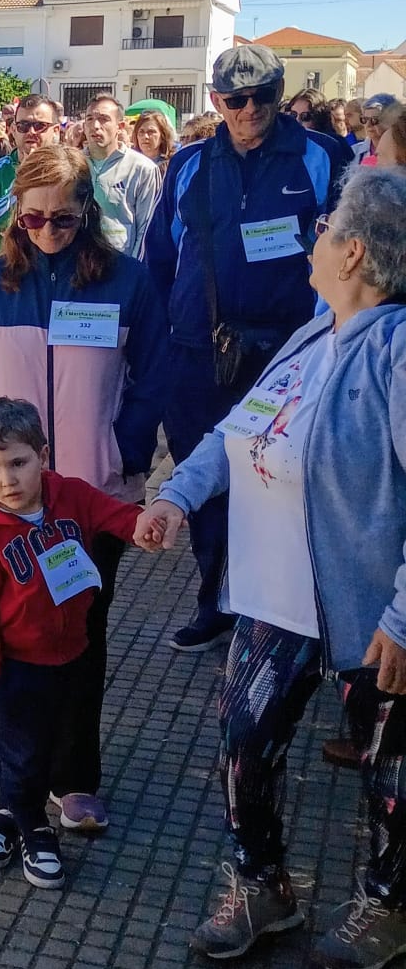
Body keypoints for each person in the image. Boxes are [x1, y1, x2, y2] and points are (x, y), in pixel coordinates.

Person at [139, 167, 406, 969]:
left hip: (368, 615)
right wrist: (177, 496)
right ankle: (262, 888)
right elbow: (238, 427)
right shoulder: (312, 331)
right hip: (272, 598)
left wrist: (404, 615)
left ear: (354, 251)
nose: (314, 234)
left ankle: (388, 905)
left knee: (388, 772)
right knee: (243, 743)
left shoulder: (396, 352)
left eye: (326, 226)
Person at [0, 145, 166, 830]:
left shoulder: (127, 282)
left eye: (64, 220)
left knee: (81, 635)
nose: (48, 231)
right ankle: (24, 767)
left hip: (91, 500)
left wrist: (122, 450)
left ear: (88, 214)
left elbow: (152, 377)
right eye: (35, 218)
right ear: (16, 214)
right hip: (11, 504)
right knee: (15, 639)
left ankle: (75, 777)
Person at [144, 41, 351, 648]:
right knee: (200, 478)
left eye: (262, 96)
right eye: (235, 100)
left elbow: (340, 258)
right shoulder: (187, 165)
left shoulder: (321, 157)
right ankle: (216, 599)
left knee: (277, 480)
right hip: (197, 353)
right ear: (216, 101)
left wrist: (325, 347)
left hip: (285, 353)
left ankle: (279, 610)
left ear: (279, 94)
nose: (250, 109)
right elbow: (161, 259)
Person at [0, 397, 143, 890]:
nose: (7, 481)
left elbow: (114, 515)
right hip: (17, 669)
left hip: (72, 656)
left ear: (43, 455)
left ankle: (4, 815)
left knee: (46, 745)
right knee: (26, 755)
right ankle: (36, 830)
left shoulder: (72, 496)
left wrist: (143, 527)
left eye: (18, 463)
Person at [0, 94, 61, 253]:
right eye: (23, 126)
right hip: (8, 267)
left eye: (40, 126)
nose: (31, 132)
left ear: (55, 130)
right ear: (13, 129)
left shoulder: (68, 170)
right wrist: (23, 186)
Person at [81, 95, 162, 256]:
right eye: (90, 119)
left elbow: (147, 229)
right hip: (78, 268)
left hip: (120, 268)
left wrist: (134, 272)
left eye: (104, 119)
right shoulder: (73, 164)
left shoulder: (142, 169)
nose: (95, 126)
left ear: (120, 126)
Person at [359, 93, 401, 165]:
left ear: (392, 120)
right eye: (364, 119)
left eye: (374, 120)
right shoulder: (354, 151)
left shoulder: (401, 151)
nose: (368, 125)